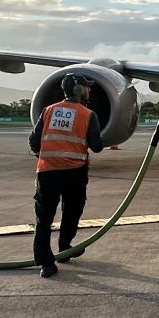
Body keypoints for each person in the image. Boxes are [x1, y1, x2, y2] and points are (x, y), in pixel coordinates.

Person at [29, 74, 103, 278]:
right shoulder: (87, 115)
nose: (89, 91)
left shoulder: (48, 111)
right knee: (72, 211)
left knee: (44, 218)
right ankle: (64, 248)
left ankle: (46, 263)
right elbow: (96, 146)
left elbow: (34, 142)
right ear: (78, 90)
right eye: (87, 87)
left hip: (47, 171)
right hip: (74, 172)